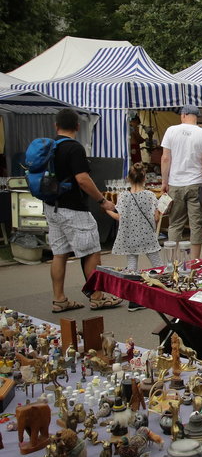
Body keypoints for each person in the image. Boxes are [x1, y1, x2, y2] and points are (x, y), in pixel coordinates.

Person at [45, 109, 123, 313]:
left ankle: (59, 299)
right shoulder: (74, 148)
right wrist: (102, 200)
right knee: (91, 251)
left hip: (52, 207)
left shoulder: (50, 147)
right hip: (74, 208)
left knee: (59, 253)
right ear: (78, 127)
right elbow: (82, 179)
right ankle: (97, 297)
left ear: (56, 126)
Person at [104, 163, 163, 311]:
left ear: (128, 179)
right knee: (158, 265)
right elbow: (156, 218)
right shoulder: (150, 195)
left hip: (129, 236)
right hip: (147, 235)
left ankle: (133, 300)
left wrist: (106, 211)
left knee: (132, 267)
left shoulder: (123, 196)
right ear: (144, 178)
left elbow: (119, 217)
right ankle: (162, 295)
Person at [160, 104, 202, 261]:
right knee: (196, 223)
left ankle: (173, 260)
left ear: (183, 115)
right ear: (196, 116)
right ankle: (194, 260)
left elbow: (165, 158)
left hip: (175, 182)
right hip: (196, 183)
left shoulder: (171, 131)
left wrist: (165, 180)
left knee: (175, 223)